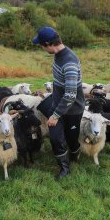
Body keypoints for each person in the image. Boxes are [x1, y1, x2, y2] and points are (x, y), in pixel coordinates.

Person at [32, 27, 85, 180]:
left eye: (42, 45)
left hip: (73, 109)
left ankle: (75, 155)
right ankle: (64, 168)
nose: (42, 48)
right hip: (57, 104)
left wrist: (55, 115)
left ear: (49, 43)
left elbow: (70, 94)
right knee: (55, 137)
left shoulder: (70, 62)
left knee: (71, 138)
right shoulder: (57, 55)